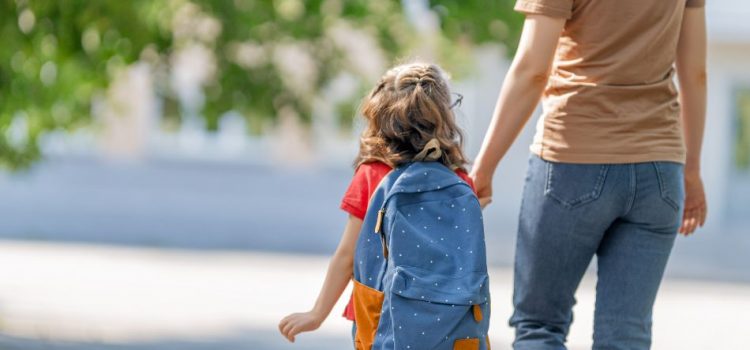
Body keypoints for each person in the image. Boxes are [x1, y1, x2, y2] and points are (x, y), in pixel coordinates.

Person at [470, 0, 708, 349]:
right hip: (659, 168)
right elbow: (696, 73)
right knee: (626, 335)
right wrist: (692, 170)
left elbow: (532, 70)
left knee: (540, 326)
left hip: (572, 159)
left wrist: (484, 167)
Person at [278, 62, 478, 344]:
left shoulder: (372, 175)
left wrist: (317, 313)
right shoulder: (459, 182)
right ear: (443, 118)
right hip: (448, 320)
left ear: (380, 117)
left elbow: (348, 254)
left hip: (377, 313)